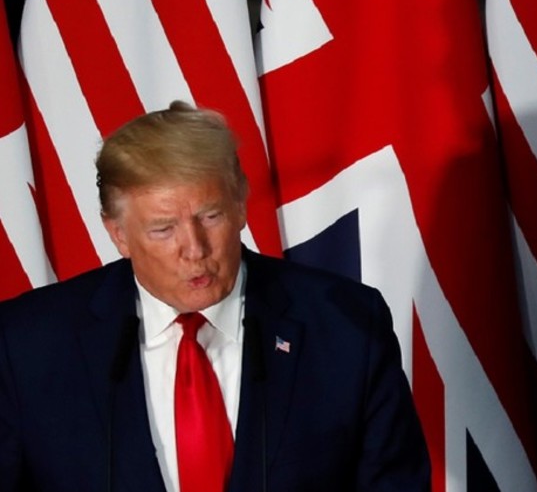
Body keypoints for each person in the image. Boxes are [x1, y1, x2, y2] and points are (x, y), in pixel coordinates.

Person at [0, 102, 430, 491]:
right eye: (163, 229)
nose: (195, 248)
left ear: (240, 204)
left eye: (211, 216)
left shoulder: (345, 327)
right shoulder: (28, 347)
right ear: (118, 234)